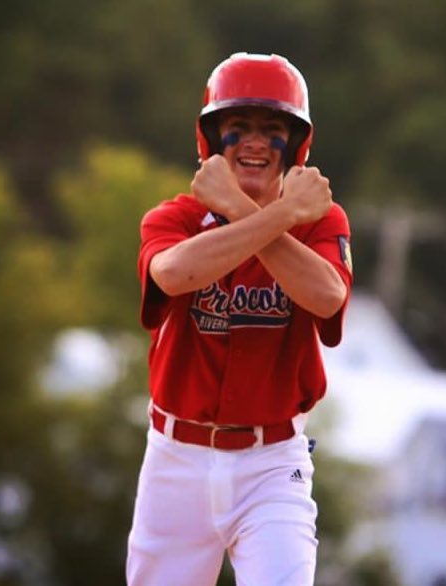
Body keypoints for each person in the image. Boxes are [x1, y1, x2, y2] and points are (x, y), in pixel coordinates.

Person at [127, 52, 353, 586]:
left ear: (295, 144)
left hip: (272, 462)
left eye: (272, 128)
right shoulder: (175, 217)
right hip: (174, 462)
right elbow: (174, 276)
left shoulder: (322, 221)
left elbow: (325, 295)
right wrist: (278, 215)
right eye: (238, 127)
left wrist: (249, 212)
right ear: (210, 139)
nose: (255, 142)